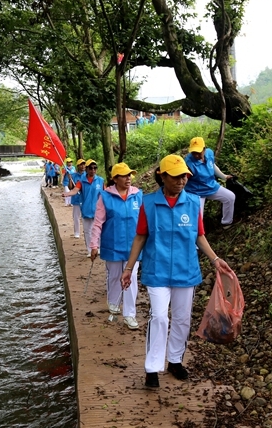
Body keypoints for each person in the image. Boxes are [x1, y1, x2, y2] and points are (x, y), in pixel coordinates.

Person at [121, 154, 232, 388]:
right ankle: (152, 368)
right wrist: (129, 268)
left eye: (184, 176)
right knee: (159, 317)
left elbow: (199, 236)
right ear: (162, 176)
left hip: (186, 270)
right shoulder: (149, 203)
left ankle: (174, 360)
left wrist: (215, 259)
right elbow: (140, 236)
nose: (181, 180)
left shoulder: (193, 203)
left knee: (182, 319)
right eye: (176, 176)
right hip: (157, 270)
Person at [89, 162, 143, 329]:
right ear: (115, 179)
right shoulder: (105, 197)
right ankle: (113, 301)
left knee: (131, 278)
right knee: (114, 275)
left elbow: (144, 221)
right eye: (124, 175)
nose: (129, 178)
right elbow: (98, 223)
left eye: (130, 175)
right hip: (112, 244)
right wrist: (93, 245)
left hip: (133, 246)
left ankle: (129, 314)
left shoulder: (138, 195)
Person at [184, 137, 236, 227]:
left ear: (204, 149)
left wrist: (224, 176)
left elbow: (213, 165)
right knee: (197, 218)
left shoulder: (209, 153)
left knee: (230, 197)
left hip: (210, 186)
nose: (196, 155)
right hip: (195, 192)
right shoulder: (189, 164)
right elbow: (183, 180)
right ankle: (195, 238)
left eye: (198, 152)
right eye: (194, 152)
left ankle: (226, 223)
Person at [63, 159, 104, 255]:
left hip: (98, 210)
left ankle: (98, 248)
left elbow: (105, 193)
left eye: (95, 168)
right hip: (86, 209)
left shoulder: (100, 181)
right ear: (87, 169)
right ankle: (90, 250)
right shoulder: (81, 181)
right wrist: (68, 194)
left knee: (98, 229)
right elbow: (75, 190)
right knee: (87, 230)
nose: (93, 170)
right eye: (91, 168)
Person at [69, 158, 86, 238]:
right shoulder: (73, 176)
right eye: (81, 165)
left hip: (85, 199)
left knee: (86, 217)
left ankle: (86, 231)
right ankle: (77, 232)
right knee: (76, 216)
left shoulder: (87, 175)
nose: (82, 166)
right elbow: (70, 188)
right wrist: (70, 179)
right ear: (78, 166)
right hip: (76, 199)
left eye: (84, 164)